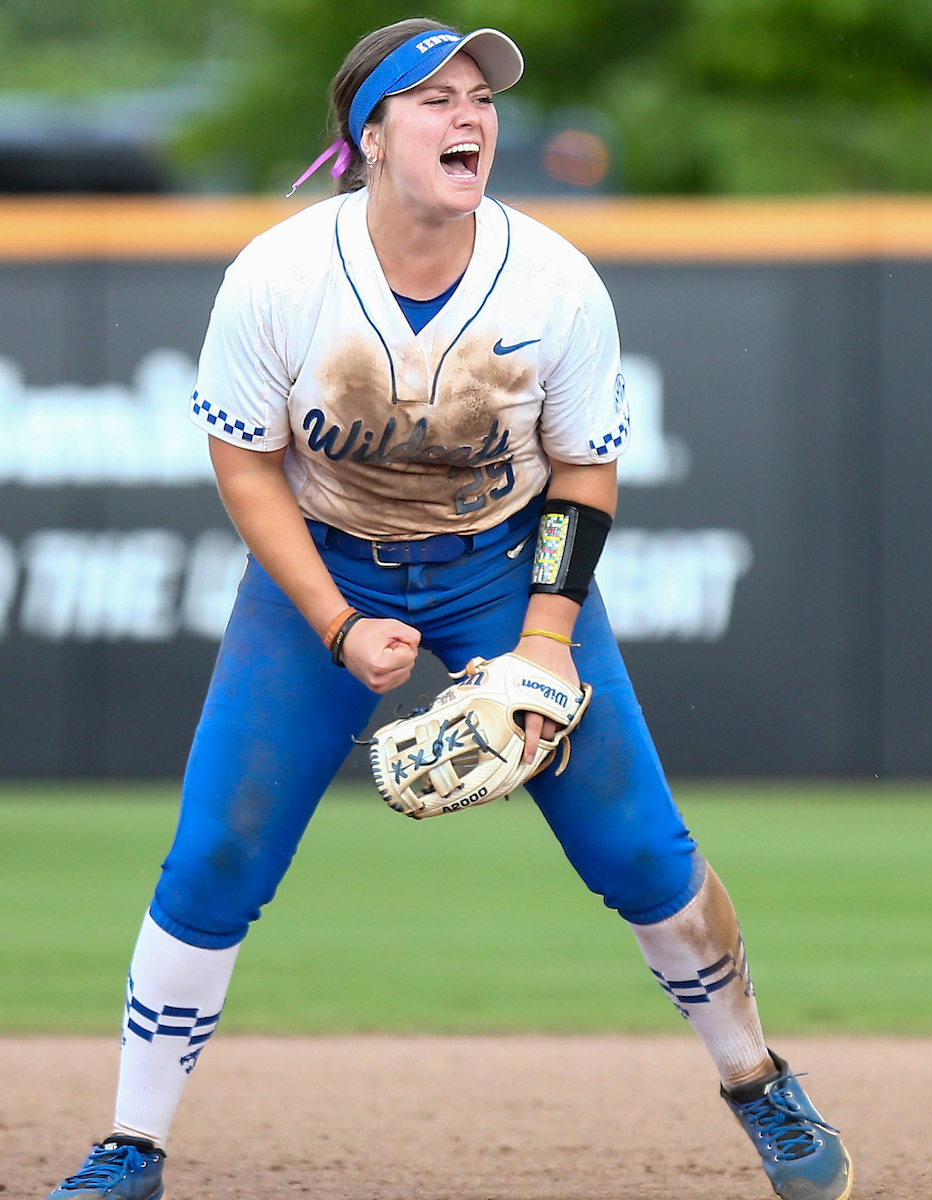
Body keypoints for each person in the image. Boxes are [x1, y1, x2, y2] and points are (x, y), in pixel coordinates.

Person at [46, 18, 852, 1200]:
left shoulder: (554, 280)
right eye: (433, 98)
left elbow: (583, 468)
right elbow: (246, 463)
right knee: (218, 853)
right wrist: (332, 621)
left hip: (502, 567)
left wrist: (542, 642)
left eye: (479, 96)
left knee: (640, 852)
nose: (468, 114)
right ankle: (132, 1146)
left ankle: (756, 1081)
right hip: (327, 565)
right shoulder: (278, 275)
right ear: (370, 136)